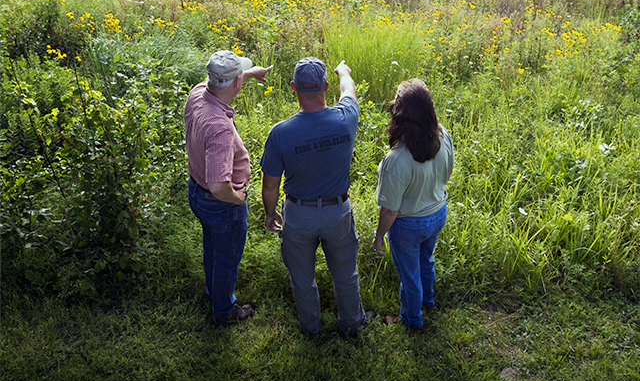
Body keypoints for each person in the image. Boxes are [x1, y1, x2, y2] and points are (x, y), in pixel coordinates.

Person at [260, 57, 369, 338]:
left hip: (298, 215)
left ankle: (311, 329)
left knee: (302, 278)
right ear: (326, 86)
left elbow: (271, 185)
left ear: (294, 88)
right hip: (338, 213)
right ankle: (352, 324)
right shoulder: (345, 118)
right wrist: (344, 70)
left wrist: (270, 213)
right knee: (345, 274)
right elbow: (349, 91)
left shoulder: (280, 133)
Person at [184, 49, 272, 327]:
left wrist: (248, 73)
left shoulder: (198, 93)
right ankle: (224, 311)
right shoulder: (219, 127)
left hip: (196, 192)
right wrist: (236, 199)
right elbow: (218, 185)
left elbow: (220, 81)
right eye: (240, 77)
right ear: (234, 84)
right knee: (227, 257)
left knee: (212, 247)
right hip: (219, 203)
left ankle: (214, 293)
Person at [373, 79, 454, 330]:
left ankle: (411, 318)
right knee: (425, 261)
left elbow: (390, 210)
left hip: (408, 225)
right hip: (438, 213)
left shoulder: (396, 158)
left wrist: (378, 236)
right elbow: (447, 174)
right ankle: (427, 300)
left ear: (400, 114)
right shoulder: (443, 136)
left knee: (409, 276)